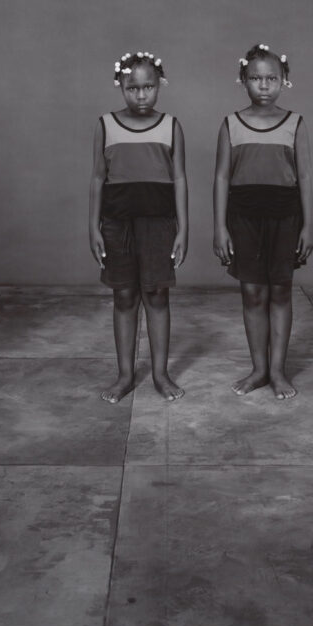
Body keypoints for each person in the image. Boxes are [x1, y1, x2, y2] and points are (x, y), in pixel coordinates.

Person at [213, 43, 313, 400]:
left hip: (286, 217)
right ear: (243, 80)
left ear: (284, 80)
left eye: (272, 78)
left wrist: (309, 225)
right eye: (256, 78)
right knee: (252, 292)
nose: (264, 85)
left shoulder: (295, 123)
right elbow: (222, 178)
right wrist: (220, 227)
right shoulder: (231, 124)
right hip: (244, 218)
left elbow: (304, 177)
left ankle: (278, 370)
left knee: (281, 292)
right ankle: (258, 369)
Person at [89, 51, 188, 403]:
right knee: (124, 296)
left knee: (156, 295)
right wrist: (93, 226)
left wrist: (184, 228)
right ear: (121, 86)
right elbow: (98, 178)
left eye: (148, 87)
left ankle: (160, 374)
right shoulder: (106, 124)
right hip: (117, 224)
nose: (141, 95)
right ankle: (125, 375)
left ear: (159, 85)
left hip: (159, 224)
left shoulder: (170, 125)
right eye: (133, 88)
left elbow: (179, 178)